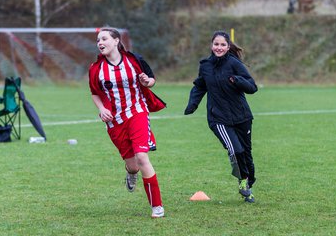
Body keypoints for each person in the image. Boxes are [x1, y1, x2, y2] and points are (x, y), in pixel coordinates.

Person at [89, 27, 166, 217]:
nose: (100, 42)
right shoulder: (96, 68)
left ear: (116, 41)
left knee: (142, 157)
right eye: (98, 40)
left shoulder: (134, 60)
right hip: (115, 121)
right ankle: (131, 174)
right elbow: (94, 93)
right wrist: (102, 109)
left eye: (104, 38)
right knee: (133, 165)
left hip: (137, 112)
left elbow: (151, 80)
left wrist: (147, 81)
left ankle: (157, 206)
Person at [184, 31, 258, 203]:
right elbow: (199, 87)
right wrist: (192, 104)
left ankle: (247, 183)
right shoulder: (206, 66)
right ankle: (243, 182)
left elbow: (252, 87)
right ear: (212, 45)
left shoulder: (234, 64)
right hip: (218, 118)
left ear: (228, 46)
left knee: (246, 154)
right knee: (235, 150)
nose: (219, 47)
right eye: (216, 44)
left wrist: (238, 80)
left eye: (223, 45)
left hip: (242, 116)